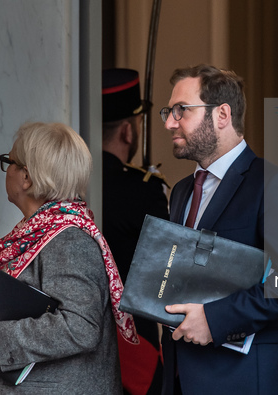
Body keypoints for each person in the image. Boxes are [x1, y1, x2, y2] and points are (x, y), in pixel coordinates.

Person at [159, 64, 278, 395]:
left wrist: (214, 320)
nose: (169, 122)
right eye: (168, 111)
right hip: (180, 379)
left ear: (222, 114)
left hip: (245, 380)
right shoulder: (181, 192)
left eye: (181, 111)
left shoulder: (274, 185)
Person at [0, 122, 138, 394]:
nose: (7, 170)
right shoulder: (38, 232)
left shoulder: (69, 240)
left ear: (26, 177)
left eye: (10, 162)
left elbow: (81, 326)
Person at [102, 68, 169, 394]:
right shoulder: (144, 190)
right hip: (134, 347)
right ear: (128, 131)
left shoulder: (68, 184)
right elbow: (168, 276)